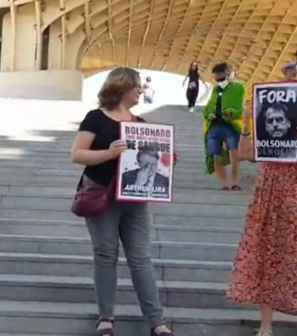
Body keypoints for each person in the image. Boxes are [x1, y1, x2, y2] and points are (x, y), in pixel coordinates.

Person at [227, 79, 297, 336]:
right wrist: (246, 124)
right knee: (265, 257)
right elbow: (244, 154)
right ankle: (266, 325)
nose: (276, 123)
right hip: (268, 197)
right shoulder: (266, 122)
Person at [70, 67, 176, 336]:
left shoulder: (139, 123)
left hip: (134, 197)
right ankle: (106, 317)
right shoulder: (96, 118)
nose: (141, 90)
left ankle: (157, 321)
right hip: (101, 193)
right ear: (121, 87)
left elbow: (153, 159)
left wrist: (167, 160)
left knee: (141, 258)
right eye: (136, 86)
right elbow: (78, 154)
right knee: (105, 255)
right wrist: (108, 153)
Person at [202, 62, 245, 190]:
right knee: (215, 155)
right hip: (214, 125)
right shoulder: (216, 90)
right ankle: (225, 183)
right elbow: (207, 108)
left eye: (221, 77)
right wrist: (209, 114)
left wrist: (232, 112)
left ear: (228, 74)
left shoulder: (239, 88)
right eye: (216, 78)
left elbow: (244, 108)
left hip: (230, 126)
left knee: (234, 153)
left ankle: (235, 182)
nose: (219, 81)